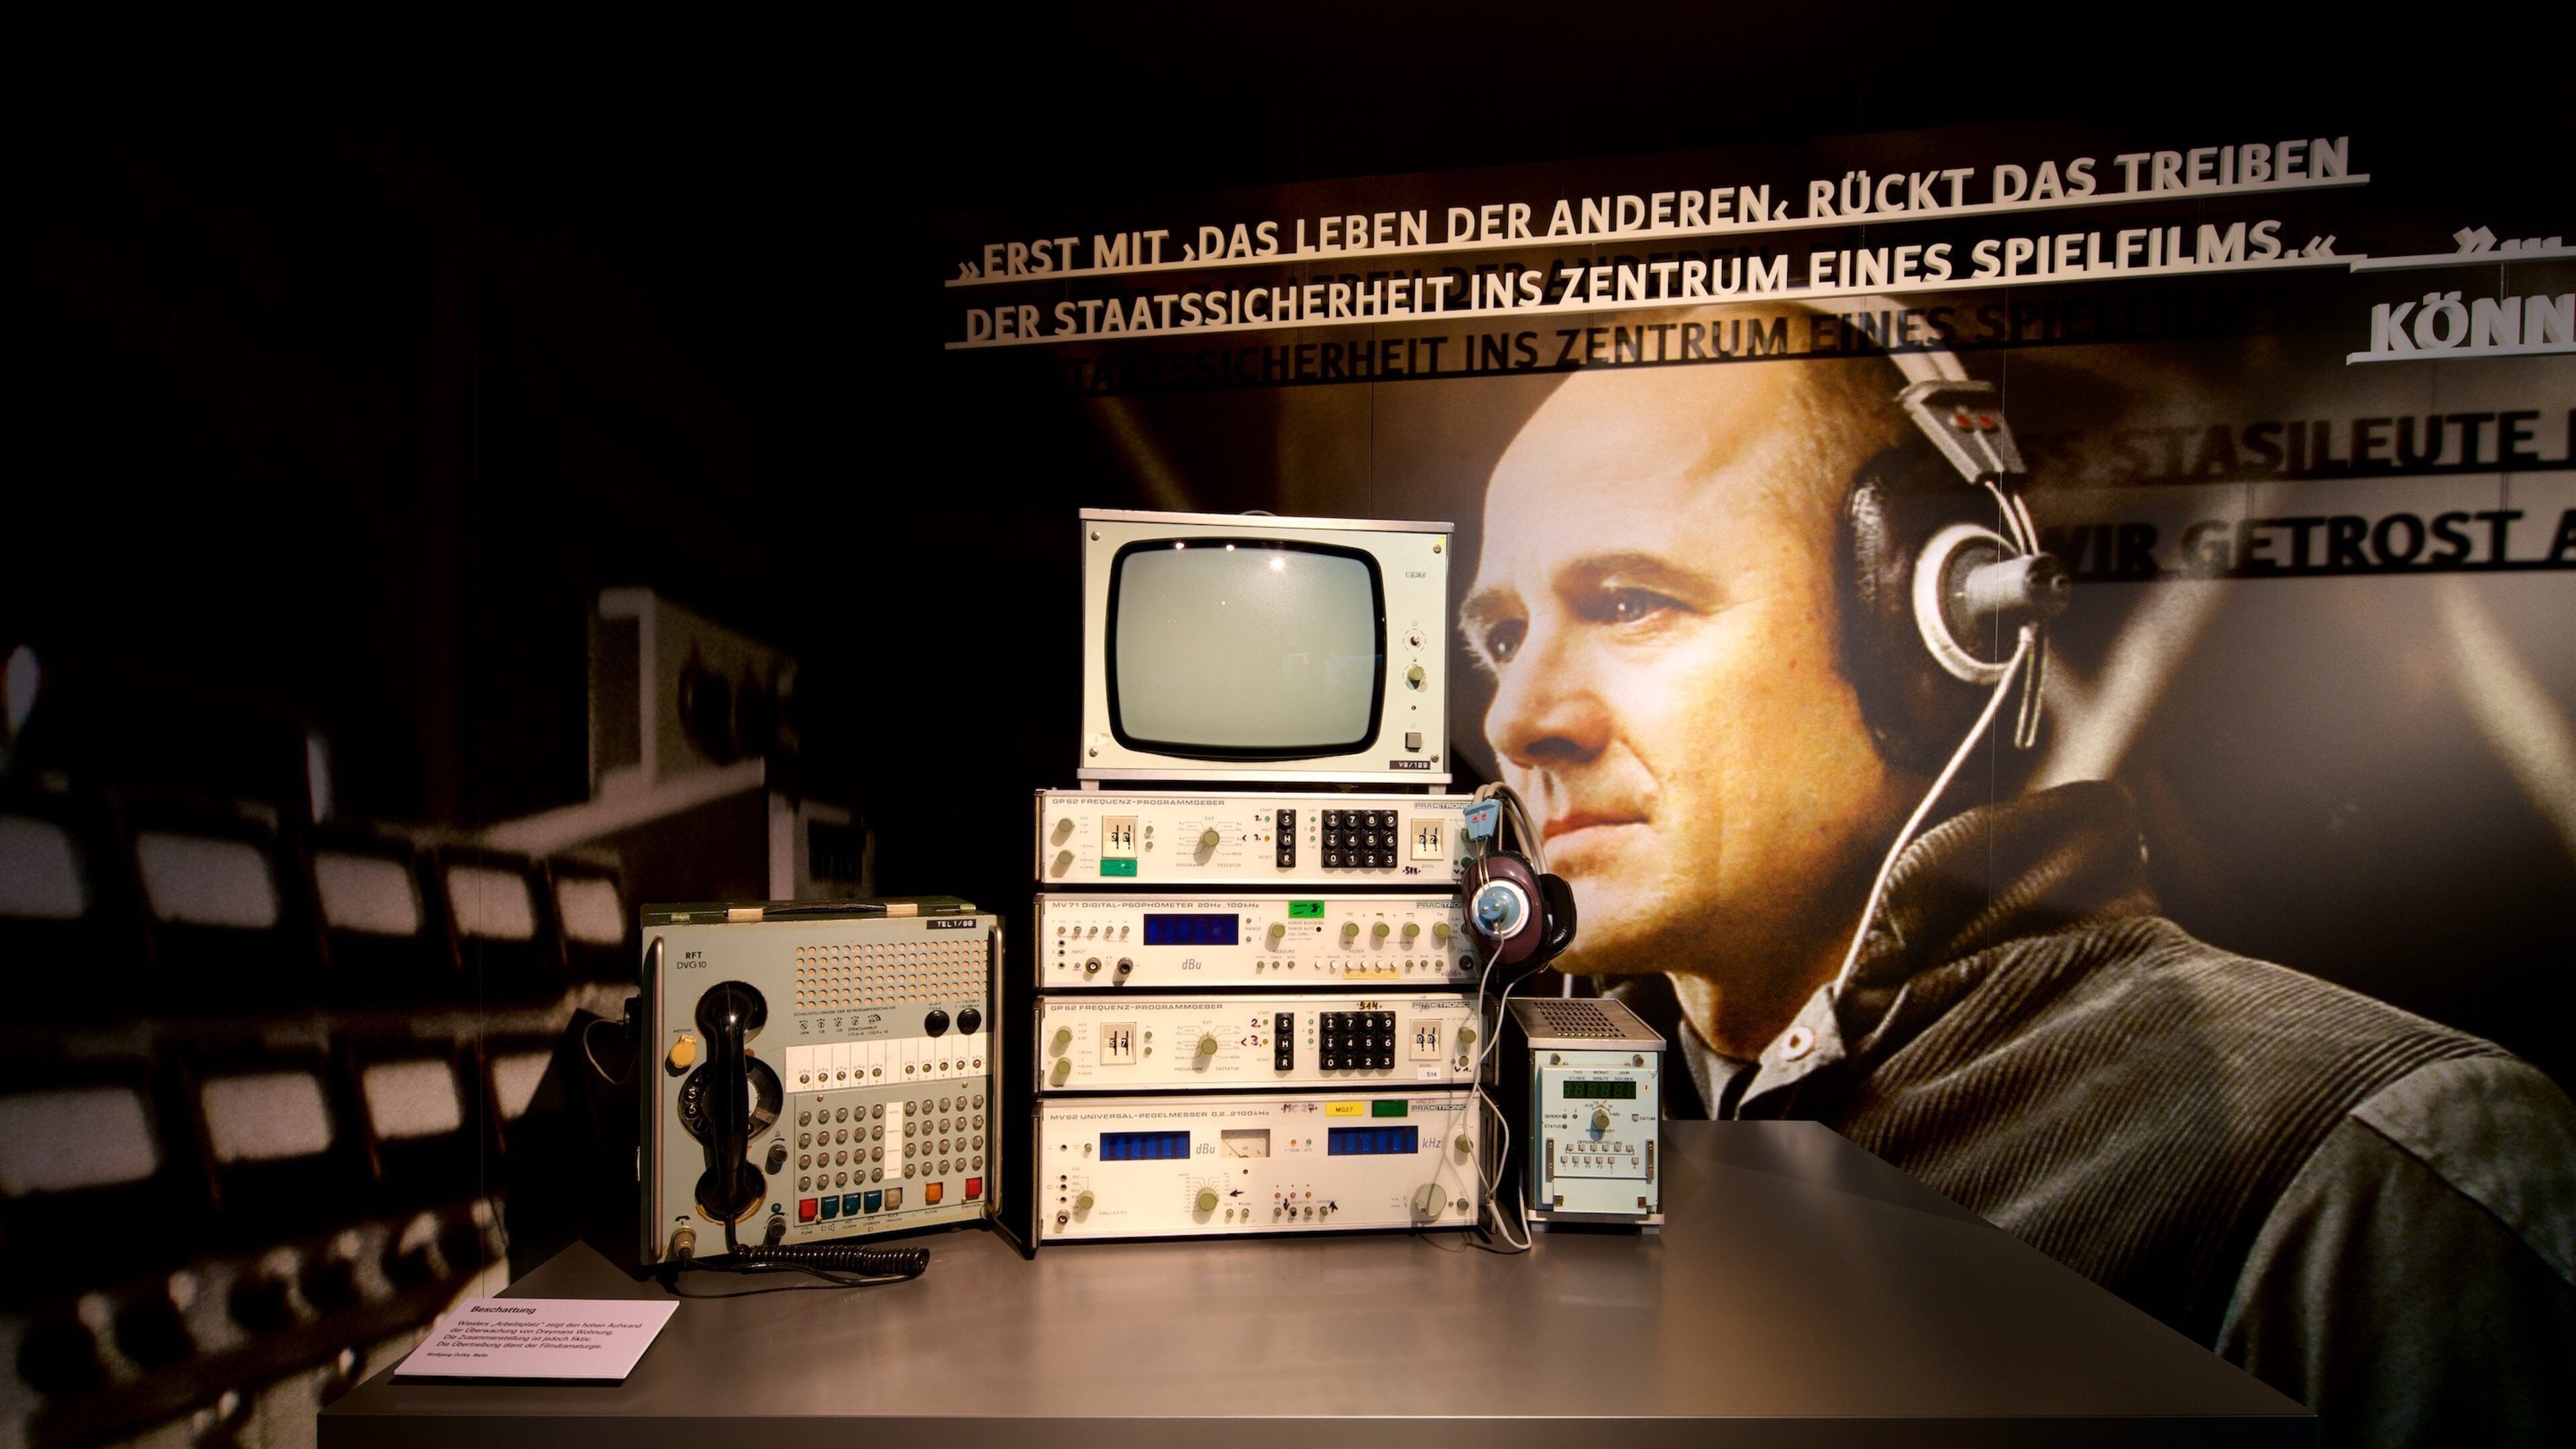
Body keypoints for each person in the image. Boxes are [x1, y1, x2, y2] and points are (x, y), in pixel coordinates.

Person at [1458, 321, 2576, 1448]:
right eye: (1502, 637)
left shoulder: (2366, 1167)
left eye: (1626, 605)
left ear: (1930, 627)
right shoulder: (1506, 1133)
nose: (1519, 718)